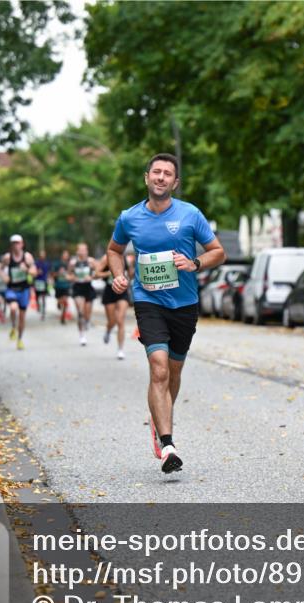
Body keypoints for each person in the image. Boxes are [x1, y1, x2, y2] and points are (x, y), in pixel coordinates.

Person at [108, 153, 225, 473]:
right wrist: (118, 275)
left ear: (175, 183)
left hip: (185, 304)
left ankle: (160, 422)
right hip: (148, 300)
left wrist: (195, 263)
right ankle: (167, 441)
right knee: (158, 369)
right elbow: (114, 250)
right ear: (146, 177)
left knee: (173, 371)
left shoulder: (190, 215)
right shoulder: (129, 217)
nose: (160, 177)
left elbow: (218, 251)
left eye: (167, 174)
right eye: (156, 172)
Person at [0, 234, 37, 350]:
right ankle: (12, 326)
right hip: (12, 289)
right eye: (14, 243)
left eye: (18, 243)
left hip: (24, 289)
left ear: (22, 244)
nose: (16, 245)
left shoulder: (27, 257)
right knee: (13, 308)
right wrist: (4, 276)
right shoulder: (7, 257)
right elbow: (0, 269)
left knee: (22, 317)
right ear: (11, 245)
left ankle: (20, 339)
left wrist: (26, 269)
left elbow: (34, 272)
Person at [97, 250, 134, 360]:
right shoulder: (106, 258)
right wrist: (109, 273)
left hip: (122, 292)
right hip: (110, 291)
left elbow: (130, 275)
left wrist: (131, 270)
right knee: (112, 320)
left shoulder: (126, 259)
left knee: (120, 320)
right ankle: (108, 330)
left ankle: (120, 349)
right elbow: (96, 273)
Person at [70, 242, 97, 346]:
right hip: (77, 288)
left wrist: (91, 277)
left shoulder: (91, 261)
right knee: (80, 311)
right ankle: (82, 335)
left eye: (84, 250)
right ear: (77, 251)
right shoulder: (73, 262)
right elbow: (68, 275)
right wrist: (73, 278)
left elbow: (99, 272)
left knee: (87, 312)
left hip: (88, 288)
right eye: (80, 250)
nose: (82, 252)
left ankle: (87, 320)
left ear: (87, 251)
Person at [53, 249, 72, 324]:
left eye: (67, 255)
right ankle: (58, 302)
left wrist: (69, 276)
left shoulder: (70, 265)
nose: (66, 256)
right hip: (58, 285)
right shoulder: (57, 264)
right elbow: (53, 274)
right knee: (60, 300)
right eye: (65, 255)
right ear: (62, 256)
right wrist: (59, 273)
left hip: (66, 285)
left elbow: (72, 274)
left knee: (65, 301)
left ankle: (63, 317)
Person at [34, 249, 51, 320]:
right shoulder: (36, 263)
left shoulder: (47, 263)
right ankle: (38, 305)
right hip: (38, 281)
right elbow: (33, 272)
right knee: (37, 296)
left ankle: (43, 312)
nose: (42, 256)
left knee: (44, 297)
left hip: (44, 281)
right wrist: (37, 272)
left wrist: (49, 279)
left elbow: (49, 272)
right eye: (41, 255)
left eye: (43, 255)